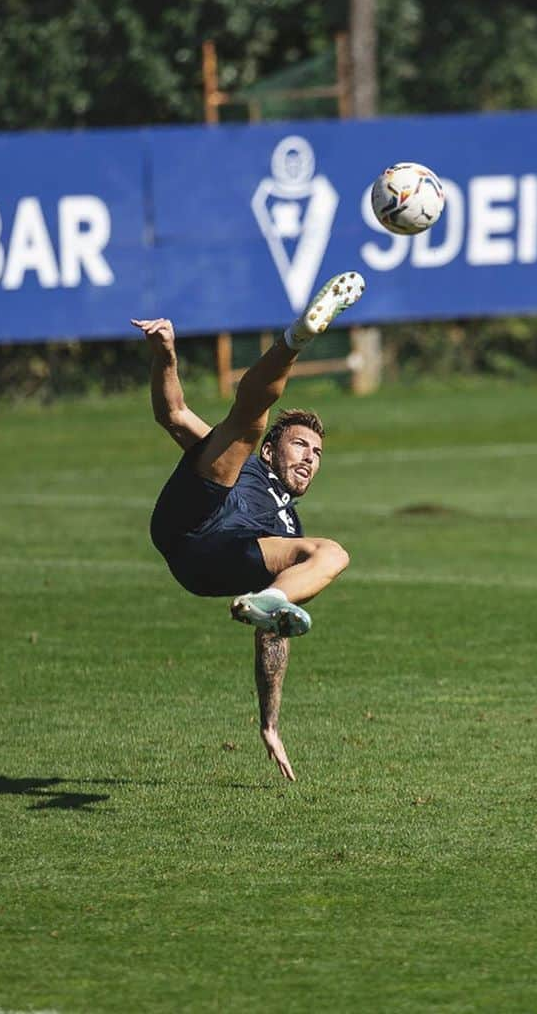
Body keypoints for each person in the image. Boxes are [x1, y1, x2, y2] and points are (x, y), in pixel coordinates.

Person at [132, 270, 364, 780]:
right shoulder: (250, 460)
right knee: (250, 417)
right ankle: (295, 340)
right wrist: (166, 356)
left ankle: (277, 595)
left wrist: (270, 723)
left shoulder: (289, 532)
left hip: (211, 567)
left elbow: (272, 637)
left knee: (331, 553)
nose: (310, 457)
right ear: (273, 452)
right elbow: (172, 413)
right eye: (300, 444)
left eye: (318, 452)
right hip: (191, 517)